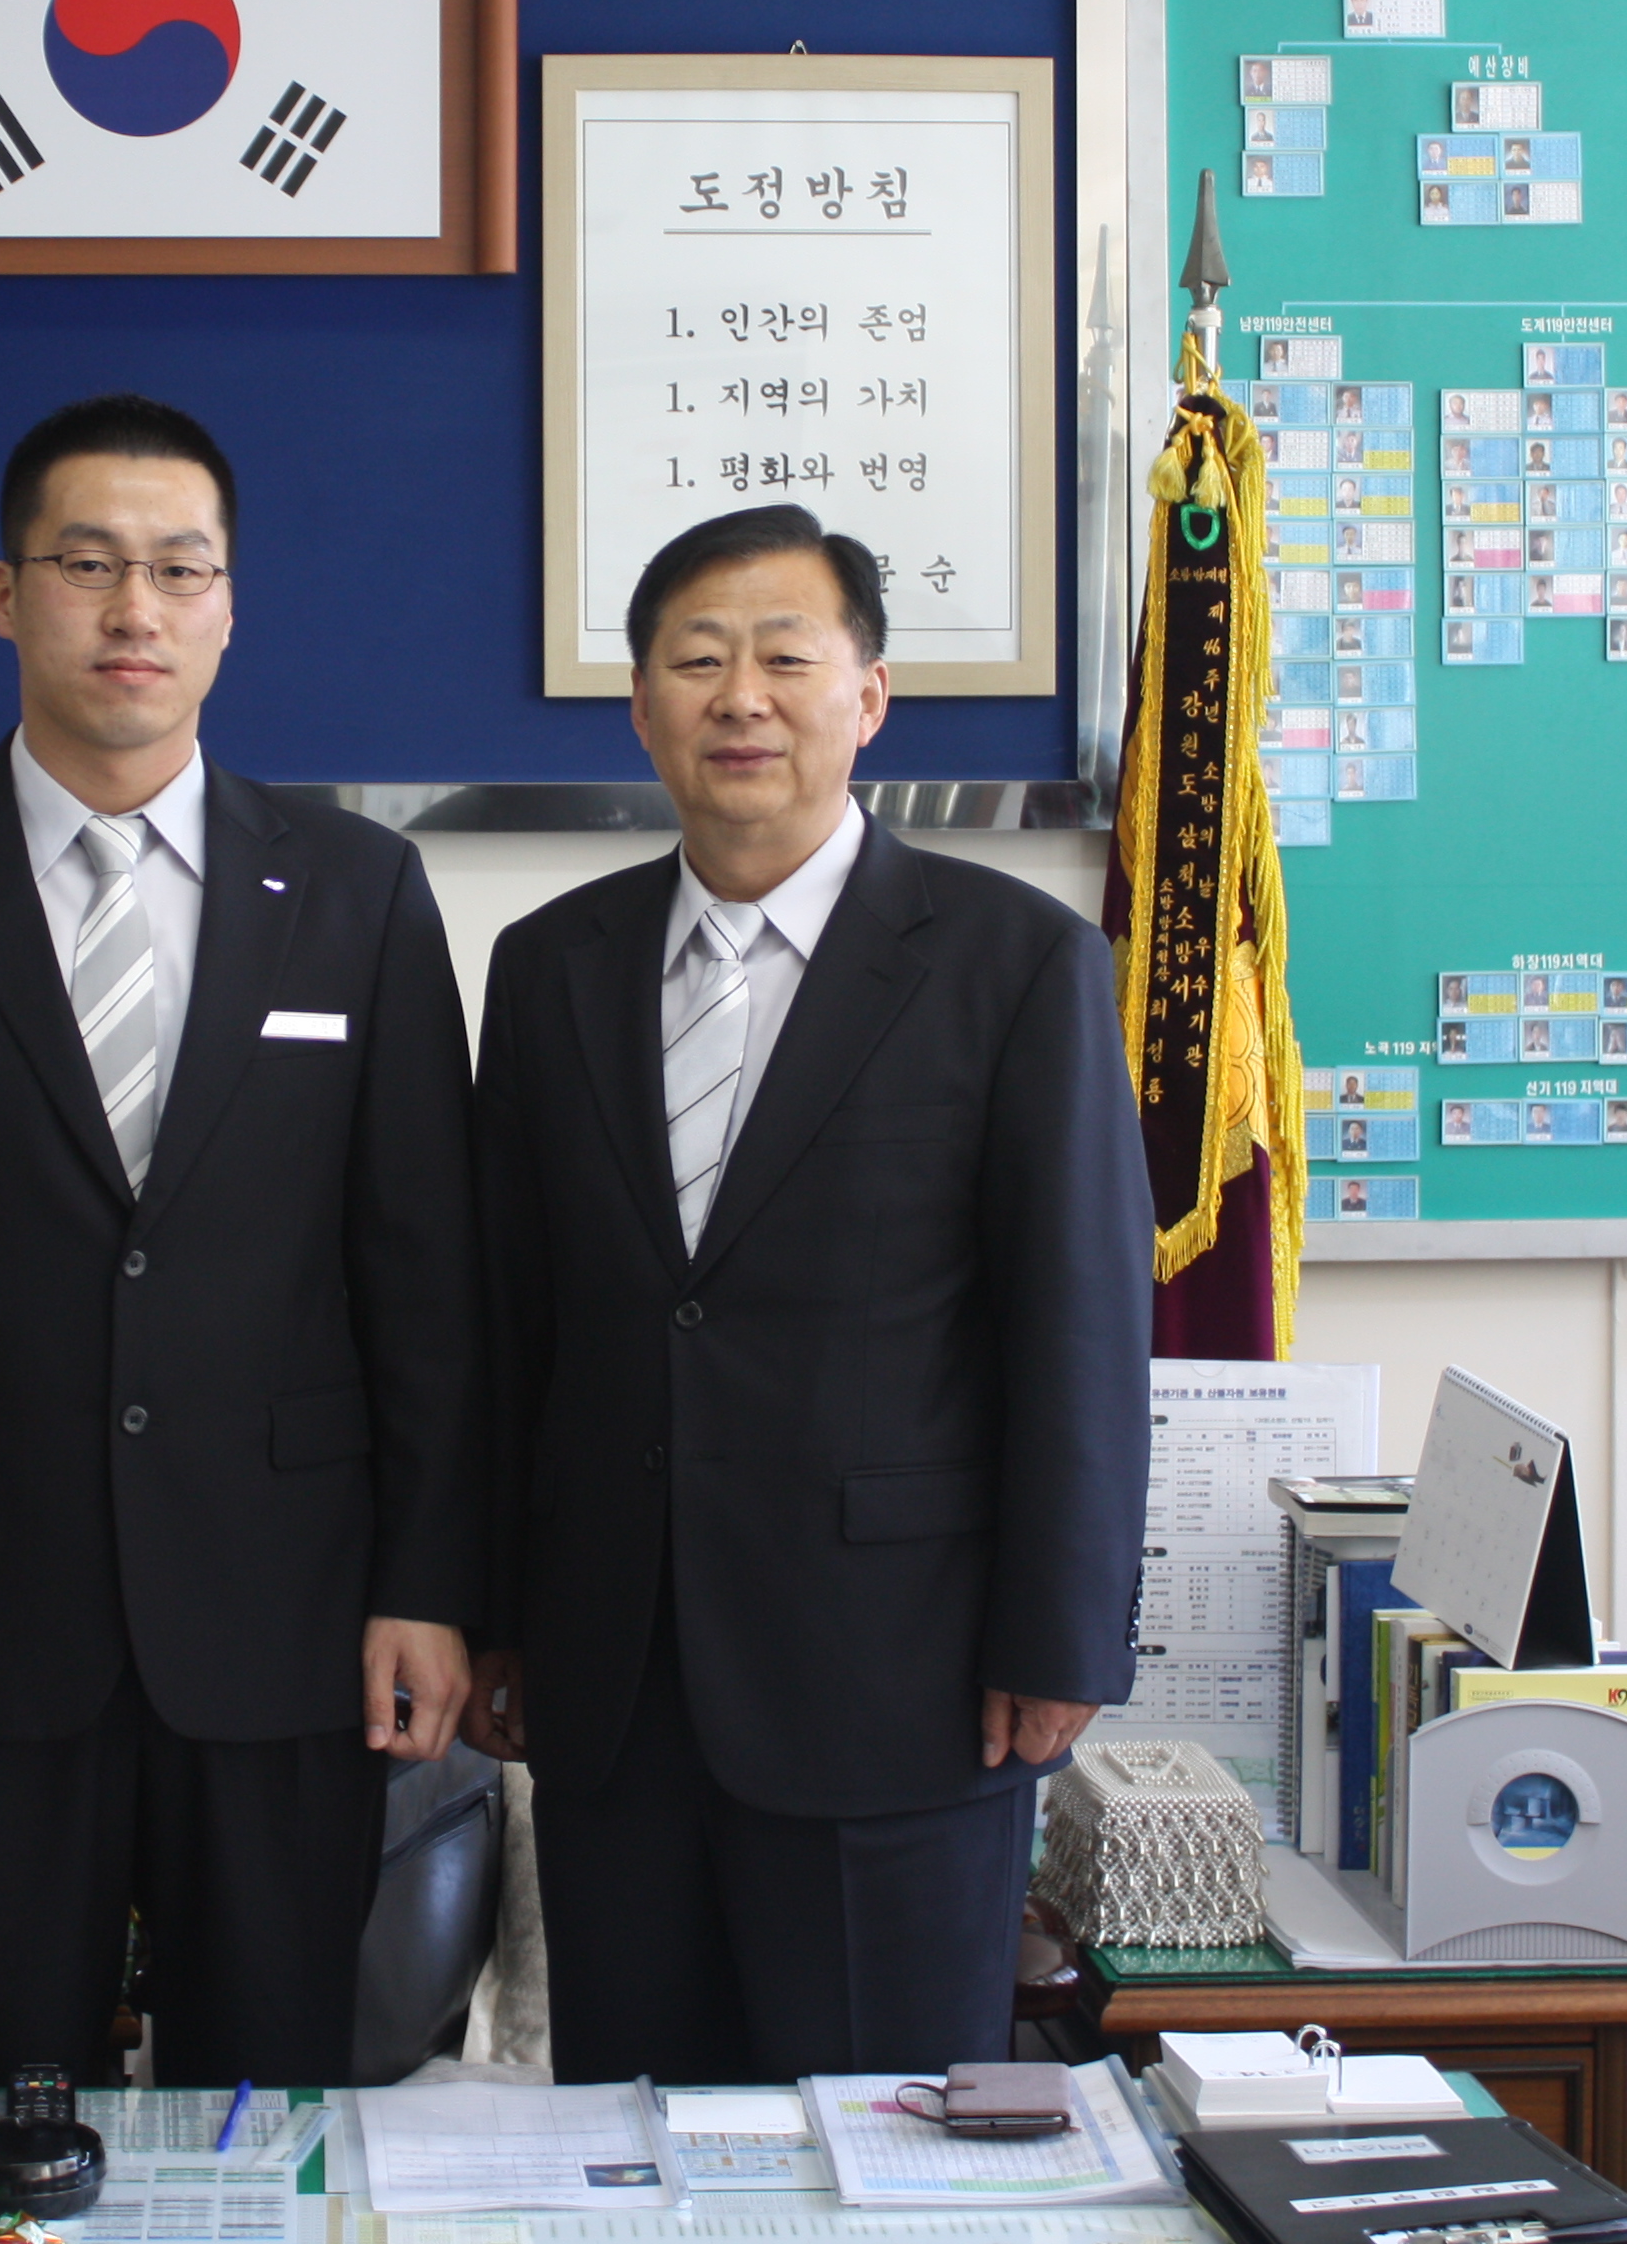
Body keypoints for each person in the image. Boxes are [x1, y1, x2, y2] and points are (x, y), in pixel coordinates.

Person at [0, 394, 481, 2082]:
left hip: (284, 1625)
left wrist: (431, 1586)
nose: (135, 607)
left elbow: (425, 1278)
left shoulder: (358, 892)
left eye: (177, 569)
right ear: (7, 595)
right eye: (88, 565)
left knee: (268, 2101)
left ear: (228, 607)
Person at [461, 504, 1150, 2084]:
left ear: (869, 697)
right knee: (636, 2139)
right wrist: (495, 1611)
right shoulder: (549, 965)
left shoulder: (1015, 963)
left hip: (899, 1683)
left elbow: (1081, 1330)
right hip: (614, 1687)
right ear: (641, 708)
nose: (741, 698)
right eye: (696, 661)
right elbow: (509, 1324)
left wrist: (1062, 1638)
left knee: (882, 2145)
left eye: (786, 657)